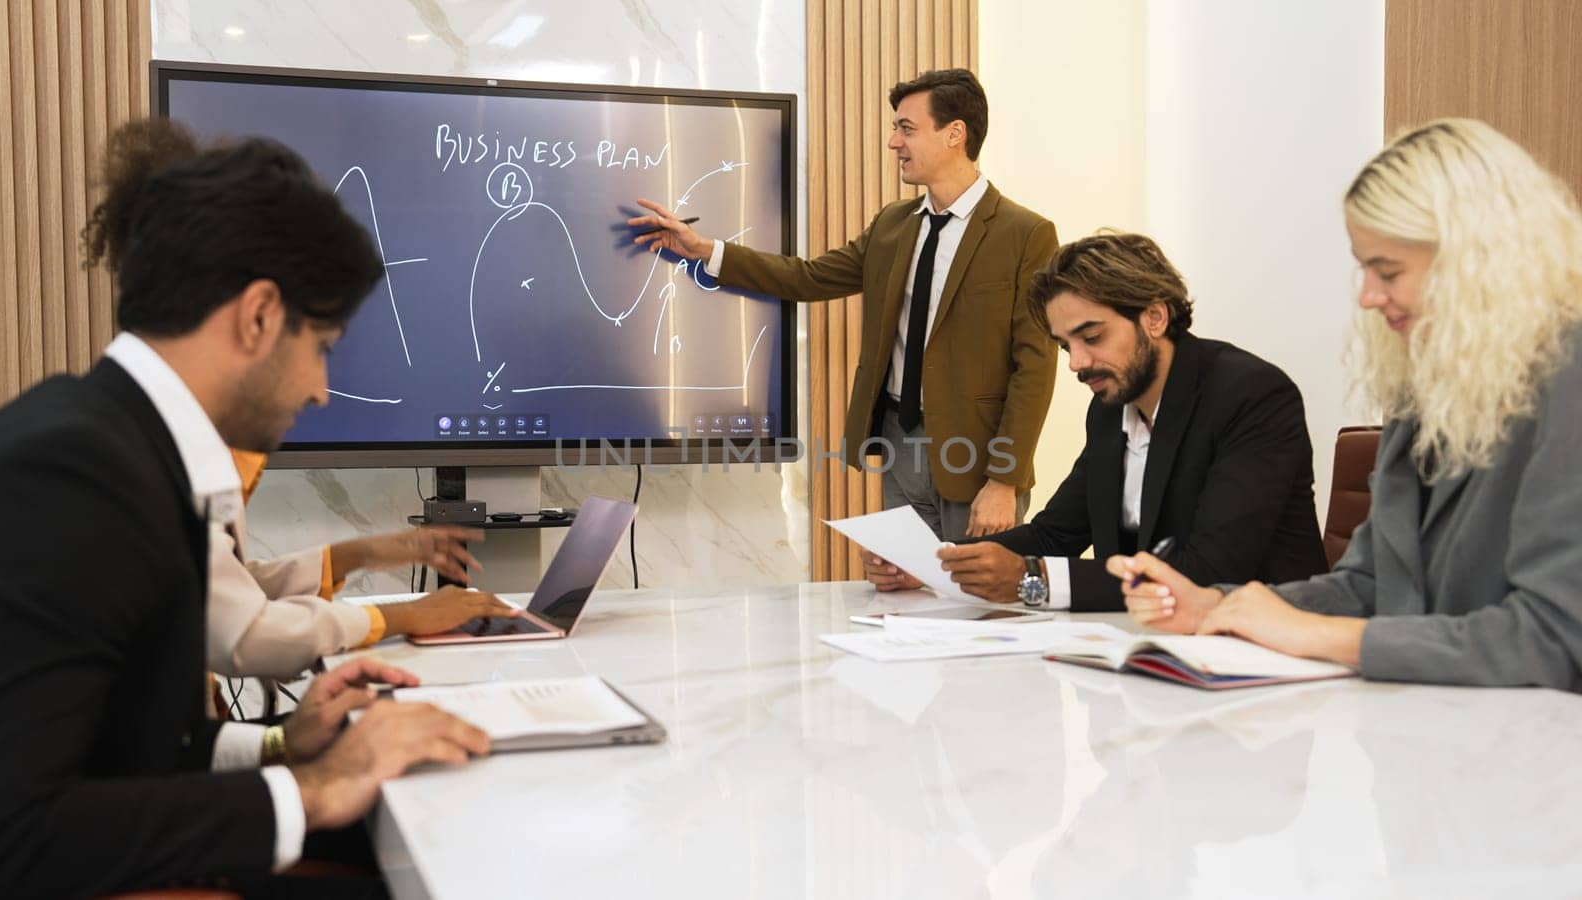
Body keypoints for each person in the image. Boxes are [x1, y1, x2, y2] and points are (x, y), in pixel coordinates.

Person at [0, 119, 491, 897]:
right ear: (257, 316)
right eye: (321, 344)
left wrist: (286, 743)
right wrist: (316, 788)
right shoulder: (73, 471)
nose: (321, 388)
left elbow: (124, 749)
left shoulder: (119, 445)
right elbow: (10, 833)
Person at [1115, 119, 1582, 691]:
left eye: (1388, 272)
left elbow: (1556, 639)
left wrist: (1318, 637)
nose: (1367, 296)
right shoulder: (1435, 387)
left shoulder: (1571, 376)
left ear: (1480, 259)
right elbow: (1370, 585)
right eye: (1365, 269)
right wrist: (1215, 607)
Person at [631, 68, 1058, 542]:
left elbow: (1035, 367)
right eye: (895, 128)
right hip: (898, 441)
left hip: (976, 456)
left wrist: (1005, 479)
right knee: (908, 594)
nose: (893, 142)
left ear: (955, 133)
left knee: (978, 600)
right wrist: (707, 250)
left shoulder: (1026, 234)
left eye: (906, 128)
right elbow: (808, 277)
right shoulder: (894, 225)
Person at [872, 232, 1328, 610]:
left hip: (1261, 664)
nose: (1078, 363)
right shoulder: (1111, 409)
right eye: (1066, 345)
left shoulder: (1251, 396)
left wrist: (1036, 579)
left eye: (1091, 337)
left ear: (1154, 316)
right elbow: (1058, 532)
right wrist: (938, 563)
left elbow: (1208, 573)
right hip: (1144, 649)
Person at [213, 449, 516, 681]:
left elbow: (225, 588)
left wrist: (359, 553)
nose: (319, 394)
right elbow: (245, 634)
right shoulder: (180, 471)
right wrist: (406, 615)